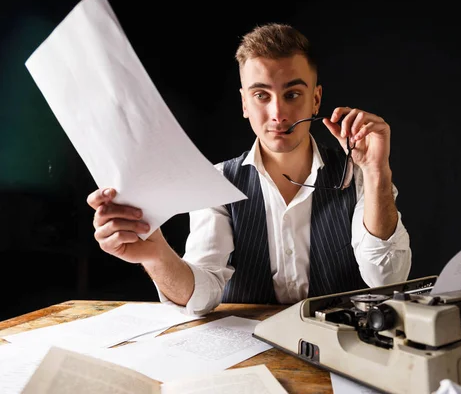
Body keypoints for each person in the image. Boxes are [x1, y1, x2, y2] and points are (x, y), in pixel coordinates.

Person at [87, 23, 412, 316]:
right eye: (261, 95)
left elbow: (387, 277)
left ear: (316, 100)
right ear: (244, 103)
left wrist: (377, 171)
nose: (278, 113)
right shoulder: (217, 183)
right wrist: (156, 254)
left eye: (293, 94)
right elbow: (201, 295)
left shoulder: (361, 176)